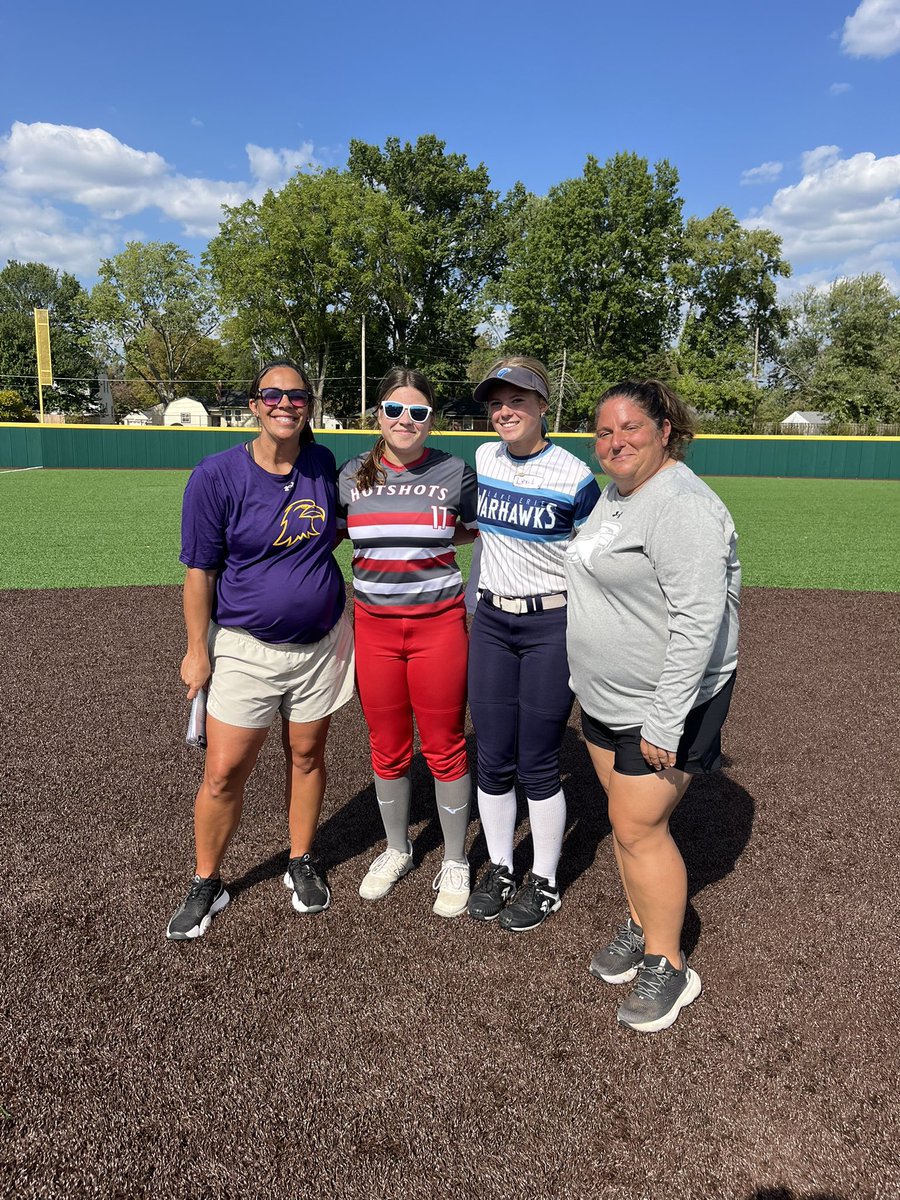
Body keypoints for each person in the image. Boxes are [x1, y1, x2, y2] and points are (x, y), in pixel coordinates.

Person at [565, 379, 740, 1032]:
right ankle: (641, 922)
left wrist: (667, 719)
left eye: (631, 427)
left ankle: (668, 963)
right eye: (605, 432)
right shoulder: (618, 494)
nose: (615, 442)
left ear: (666, 428)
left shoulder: (681, 504)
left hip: (667, 701)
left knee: (639, 827)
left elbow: (700, 622)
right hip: (607, 695)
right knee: (622, 818)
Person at [166, 360, 355, 940]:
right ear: (254, 405)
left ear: (308, 407)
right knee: (222, 772)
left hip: (321, 645)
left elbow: (367, 521)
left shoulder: (324, 466)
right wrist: (197, 650)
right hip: (245, 647)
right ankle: (207, 880)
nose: (284, 404)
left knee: (307, 755)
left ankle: (300, 859)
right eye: (271, 394)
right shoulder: (216, 475)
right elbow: (200, 571)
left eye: (296, 396)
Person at [466, 357, 602, 930]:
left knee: (539, 763)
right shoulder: (483, 457)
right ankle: (501, 866)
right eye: (498, 401)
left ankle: (544, 879)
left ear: (544, 406)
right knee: (493, 758)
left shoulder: (575, 478)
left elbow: (600, 558)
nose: (506, 410)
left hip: (552, 626)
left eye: (519, 399)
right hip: (494, 623)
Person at [337, 368, 478, 916]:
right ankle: (397, 849)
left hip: (438, 627)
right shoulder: (353, 474)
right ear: (379, 416)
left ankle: (456, 859)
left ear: (431, 419)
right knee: (387, 744)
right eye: (395, 410)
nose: (406, 421)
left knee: (444, 745)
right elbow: (341, 529)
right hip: (374, 628)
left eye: (418, 412)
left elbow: (474, 527)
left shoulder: (454, 471)